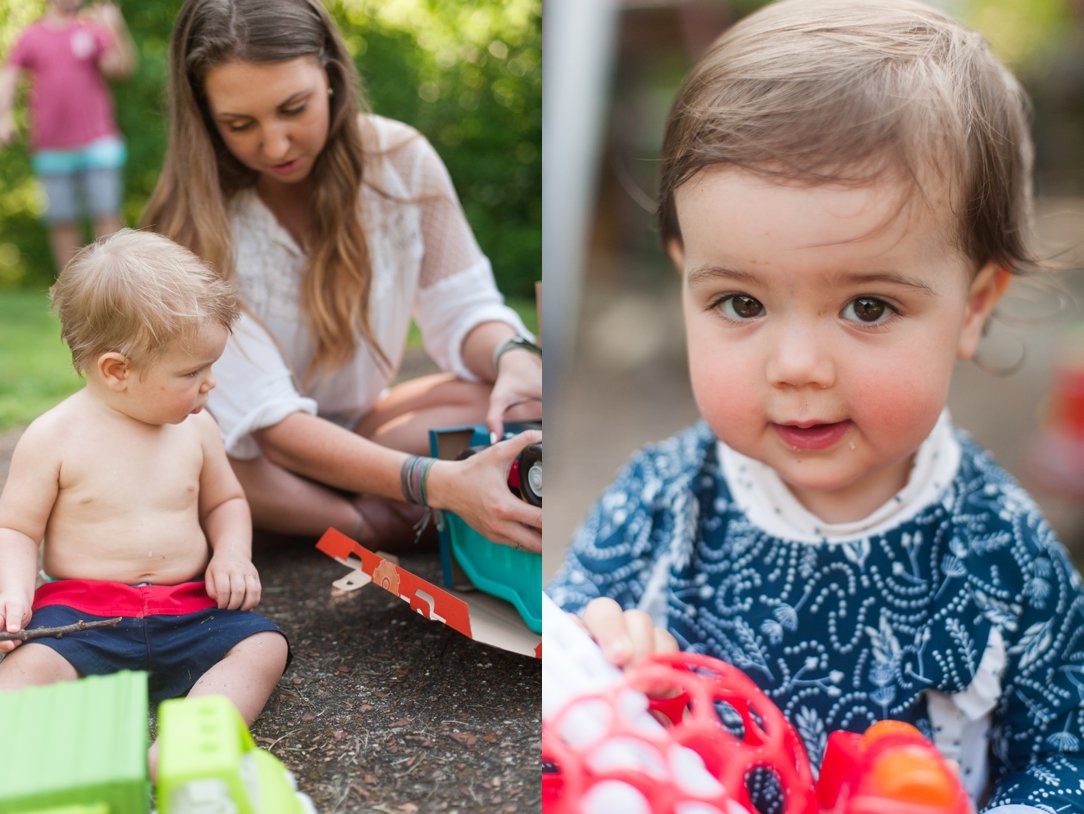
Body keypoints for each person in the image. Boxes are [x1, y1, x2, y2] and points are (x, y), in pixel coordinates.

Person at [546, 0, 1084, 809]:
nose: (797, 367)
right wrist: (606, 650)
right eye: (741, 303)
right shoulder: (660, 502)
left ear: (973, 307)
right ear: (686, 278)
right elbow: (561, 662)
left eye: (868, 307)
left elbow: (1065, 755)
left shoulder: (1002, 551)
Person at [141, 0, 542, 553]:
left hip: (361, 429)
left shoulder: (401, 160)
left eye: (294, 108)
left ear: (330, 74)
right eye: (239, 124)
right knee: (197, 448)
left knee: (518, 402)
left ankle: (372, 486)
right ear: (205, 116)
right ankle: (362, 520)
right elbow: (271, 428)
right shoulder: (189, 228)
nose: (275, 145)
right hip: (254, 463)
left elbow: (464, 309)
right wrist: (430, 485)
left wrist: (513, 356)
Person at [0, 229, 290, 775]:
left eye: (210, 366)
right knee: (23, 668)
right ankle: (50, 755)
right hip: (83, 614)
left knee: (263, 646)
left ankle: (191, 740)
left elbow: (226, 501)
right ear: (117, 371)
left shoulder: (197, 428)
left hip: (189, 606)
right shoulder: (54, 436)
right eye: (191, 372)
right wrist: (12, 593)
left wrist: (232, 554)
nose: (210, 384)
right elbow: (16, 529)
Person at [0, 0, 136, 275]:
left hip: (98, 144)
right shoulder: (31, 36)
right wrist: (3, 115)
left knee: (107, 218)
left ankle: (115, 287)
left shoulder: (93, 30)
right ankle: (70, 293)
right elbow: (9, 75)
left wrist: (116, 28)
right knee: (62, 224)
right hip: (51, 148)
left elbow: (121, 68)